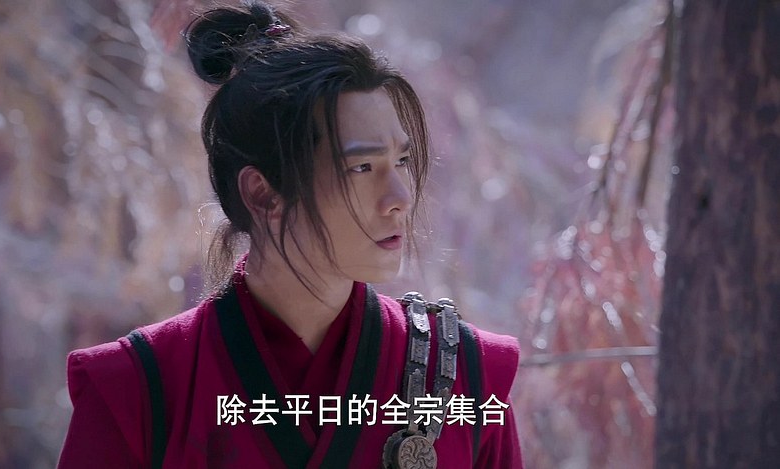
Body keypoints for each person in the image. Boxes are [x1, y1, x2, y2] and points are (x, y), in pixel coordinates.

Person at [57, 1, 522, 468]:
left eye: (401, 161)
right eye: (362, 167)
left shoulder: (462, 376)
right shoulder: (136, 389)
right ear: (263, 194)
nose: (399, 197)